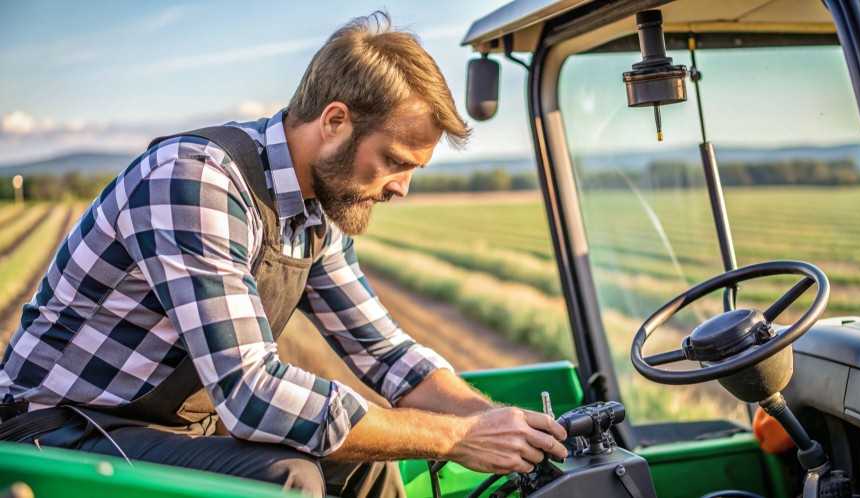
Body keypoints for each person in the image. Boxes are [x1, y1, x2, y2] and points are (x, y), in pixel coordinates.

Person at [0, 11, 566, 498]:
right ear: (335, 121)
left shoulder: (317, 210)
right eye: (395, 160)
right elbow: (251, 393)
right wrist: (453, 438)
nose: (401, 188)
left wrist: (490, 421)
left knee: (368, 468)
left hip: (159, 433)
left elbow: (384, 352)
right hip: (61, 433)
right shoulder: (196, 181)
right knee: (286, 477)